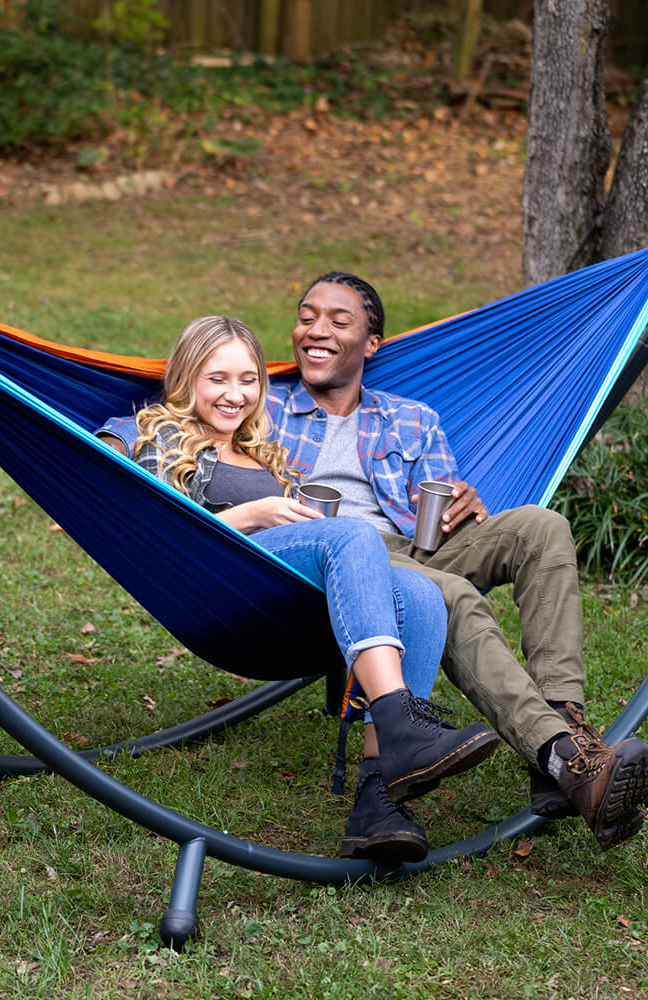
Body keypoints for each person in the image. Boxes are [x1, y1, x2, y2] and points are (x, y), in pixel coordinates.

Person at [97, 315, 500, 864]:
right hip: (224, 584)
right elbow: (157, 529)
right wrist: (256, 511)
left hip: (290, 599)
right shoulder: (160, 434)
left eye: (248, 380)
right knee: (352, 535)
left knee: (421, 595)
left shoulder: (264, 451)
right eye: (217, 378)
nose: (235, 394)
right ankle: (402, 723)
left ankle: (377, 801)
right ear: (188, 379)